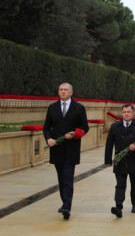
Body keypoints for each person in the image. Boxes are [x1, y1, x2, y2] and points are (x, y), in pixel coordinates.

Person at [43, 83, 89, 220]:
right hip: (57, 149)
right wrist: (49, 139)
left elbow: (85, 127)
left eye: (65, 90)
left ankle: (67, 206)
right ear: (58, 92)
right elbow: (46, 128)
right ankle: (64, 202)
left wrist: (75, 134)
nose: (63, 92)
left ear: (71, 92)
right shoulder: (52, 108)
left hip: (71, 149)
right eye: (61, 90)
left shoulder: (79, 108)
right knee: (61, 178)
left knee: (68, 177)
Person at [105, 104, 135, 218]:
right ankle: (118, 206)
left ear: (133, 113)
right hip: (120, 160)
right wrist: (108, 160)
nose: (126, 114)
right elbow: (109, 144)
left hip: (134, 160)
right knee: (120, 184)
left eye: (128, 112)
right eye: (124, 112)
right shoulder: (115, 126)